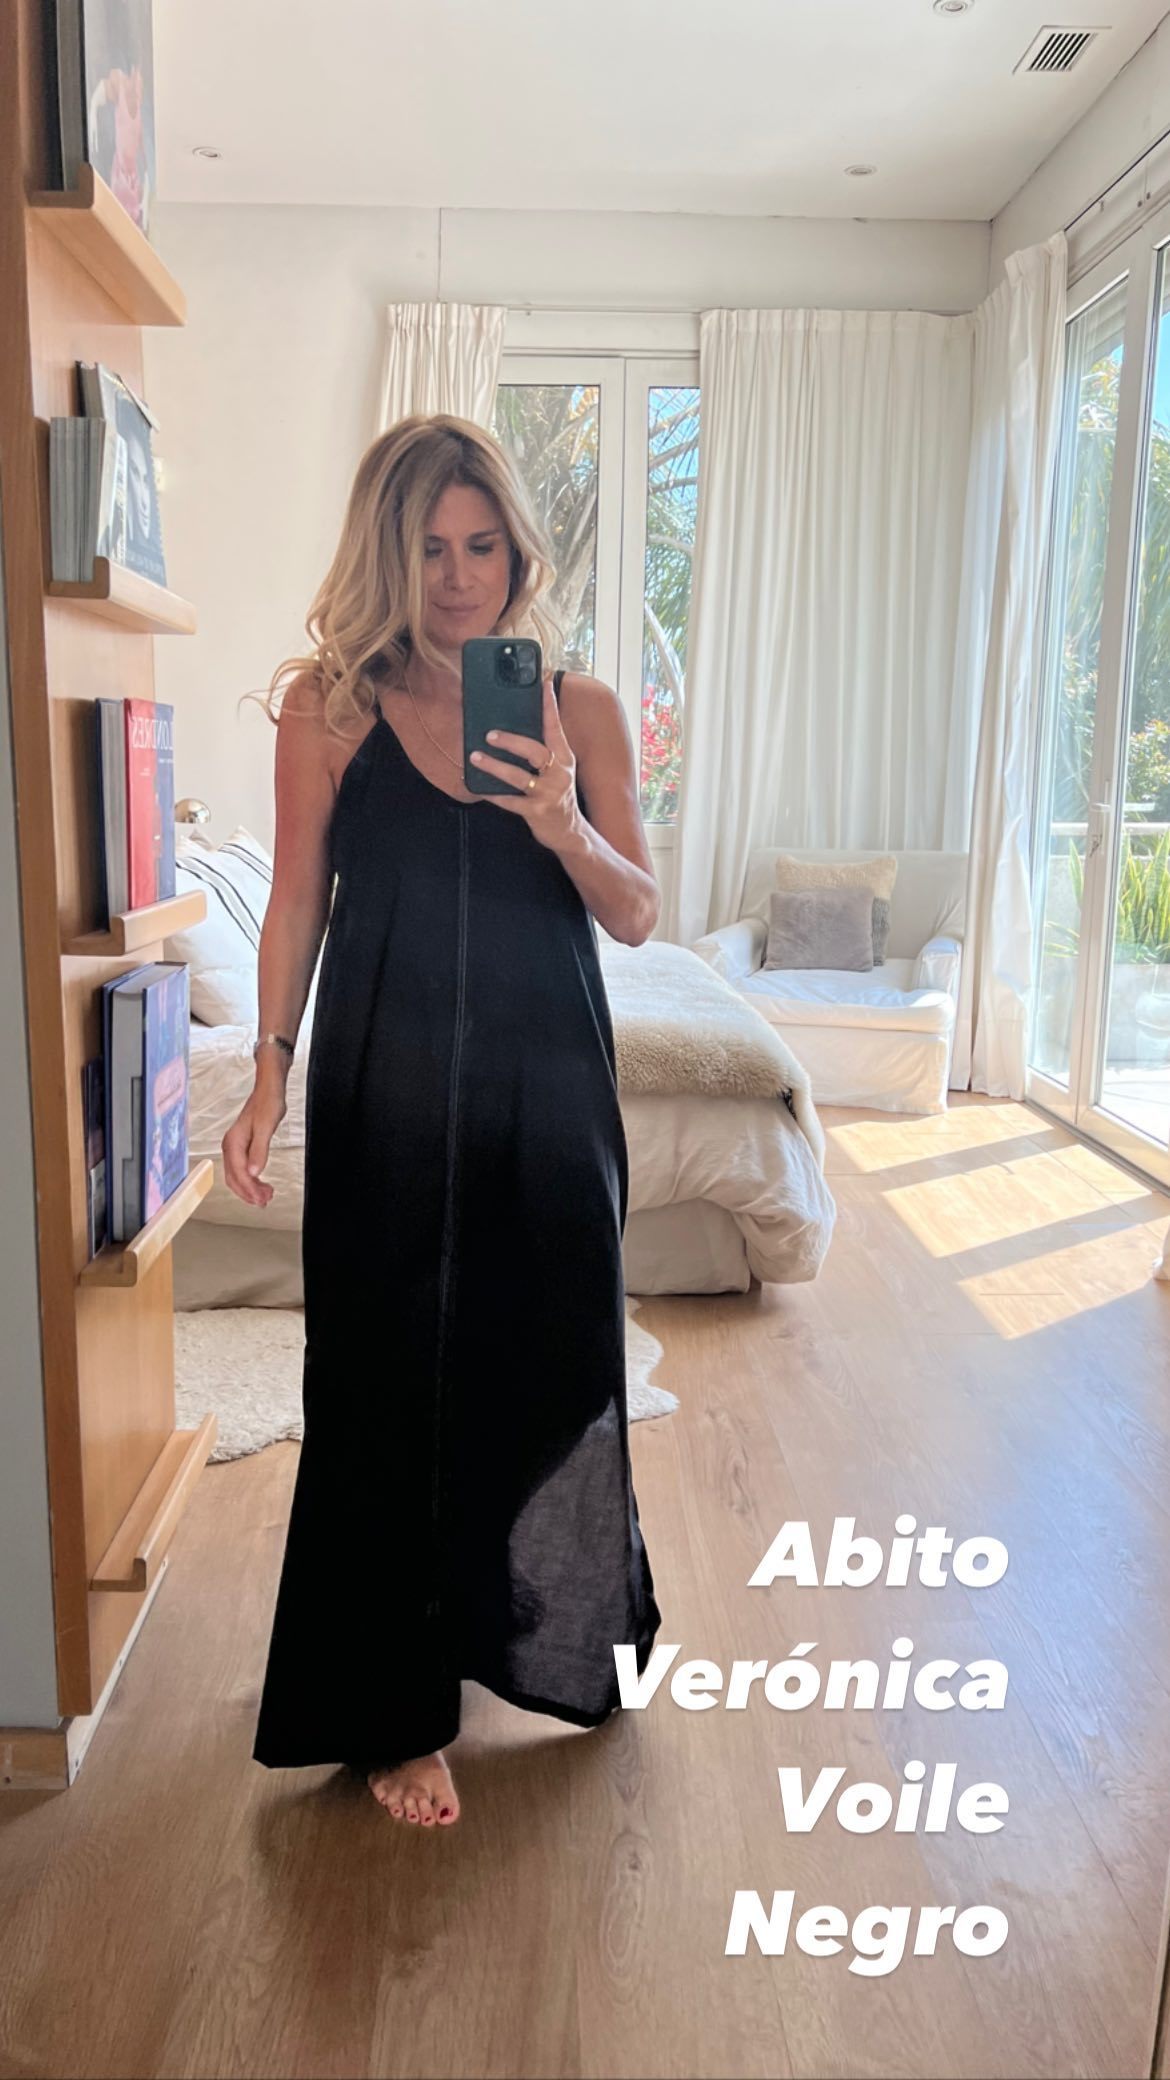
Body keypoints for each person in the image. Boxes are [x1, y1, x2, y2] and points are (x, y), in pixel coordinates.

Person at [224, 412, 663, 1829]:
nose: (461, 576)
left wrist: (563, 823)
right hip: (384, 1092)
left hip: (549, 1094)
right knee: (381, 1387)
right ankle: (394, 1710)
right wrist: (267, 1069)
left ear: (517, 554)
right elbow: (296, 899)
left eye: (482, 546)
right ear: (386, 555)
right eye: (429, 549)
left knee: (553, 1359)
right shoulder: (327, 710)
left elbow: (638, 913)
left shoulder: (579, 709)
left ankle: (538, 1634)